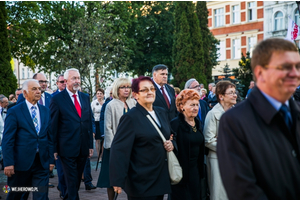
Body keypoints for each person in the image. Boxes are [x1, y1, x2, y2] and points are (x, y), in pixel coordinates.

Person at [217, 38, 300, 200]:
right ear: (260, 73)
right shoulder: (234, 122)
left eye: (297, 66)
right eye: (285, 67)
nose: (295, 73)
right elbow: (243, 190)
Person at [110, 76, 174, 200]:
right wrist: (117, 179)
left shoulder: (161, 112)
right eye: (144, 90)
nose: (150, 92)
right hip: (141, 181)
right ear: (135, 95)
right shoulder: (130, 118)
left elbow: (170, 135)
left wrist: (171, 143)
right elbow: (119, 149)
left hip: (160, 177)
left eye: (152, 89)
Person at [2, 79, 54, 200]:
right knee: (16, 195)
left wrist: (51, 160)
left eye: (39, 89)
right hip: (20, 164)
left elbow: (50, 137)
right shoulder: (14, 111)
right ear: (25, 93)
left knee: (41, 196)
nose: (38, 91)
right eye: (34, 89)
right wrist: (8, 163)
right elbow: (8, 139)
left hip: (41, 163)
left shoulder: (45, 111)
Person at [50, 68, 94, 200]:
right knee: (71, 179)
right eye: (74, 78)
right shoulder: (57, 99)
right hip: (66, 147)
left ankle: (69, 197)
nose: (77, 81)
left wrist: (90, 145)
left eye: (78, 78)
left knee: (75, 180)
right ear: (66, 81)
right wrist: (54, 148)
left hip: (83, 146)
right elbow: (53, 125)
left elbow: (87, 122)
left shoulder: (85, 97)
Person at [97, 78, 136, 200]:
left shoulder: (133, 103)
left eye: (128, 87)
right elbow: (108, 127)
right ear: (117, 89)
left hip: (132, 145)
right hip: (114, 147)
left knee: (132, 175)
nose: (126, 89)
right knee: (111, 178)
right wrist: (114, 147)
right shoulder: (111, 105)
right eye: (123, 87)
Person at [204, 80, 237, 200]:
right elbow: (208, 140)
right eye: (231, 93)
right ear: (221, 96)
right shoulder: (213, 114)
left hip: (235, 159)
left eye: (235, 92)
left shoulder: (237, 112)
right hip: (217, 160)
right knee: (219, 194)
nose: (235, 95)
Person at [169, 89, 205, 200]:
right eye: (192, 105)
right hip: (180, 171)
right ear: (182, 106)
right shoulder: (175, 124)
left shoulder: (198, 123)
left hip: (195, 171)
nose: (195, 108)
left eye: (197, 105)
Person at [91, 88, 105, 160]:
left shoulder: (106, 102)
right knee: (97, 140)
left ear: (103, 95)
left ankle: (102, 154)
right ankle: (99, 156)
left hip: (103, 122)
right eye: (98, 93)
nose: (99, 95)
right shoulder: (93, 103)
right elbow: (91, 114)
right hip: (96, 122)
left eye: (100, 93)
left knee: (103, 139)